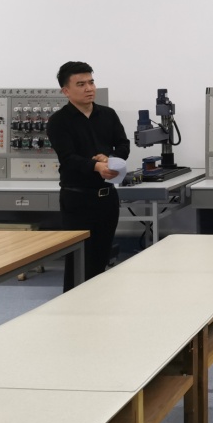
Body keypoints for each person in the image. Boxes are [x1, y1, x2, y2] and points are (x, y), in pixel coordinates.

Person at [47, 61, 130, 292]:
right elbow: (68, 158)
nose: (89, 88)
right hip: (77, 201)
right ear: (66, 91)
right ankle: (72, 308)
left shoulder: (108, 115)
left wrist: (111, 158)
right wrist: (96, 166)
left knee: (100, 259)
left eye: (91, 82)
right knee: (78, 261)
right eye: (81, 84)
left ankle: (97, 306)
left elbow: (123, 144)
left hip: (107, 199)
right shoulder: (58, 121)